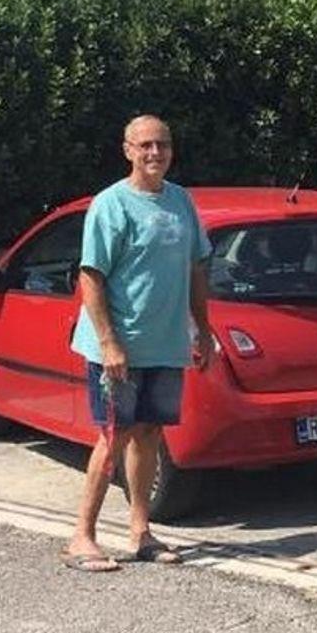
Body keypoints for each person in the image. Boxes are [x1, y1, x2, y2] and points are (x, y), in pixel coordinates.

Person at [61, 115, 215, 572]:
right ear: (127, 150)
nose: (155, 153)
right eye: (145, 145)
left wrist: (203, 329)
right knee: (114, 436)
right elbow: (91, 276)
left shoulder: (181, 201)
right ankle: (82, 537)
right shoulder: (111, 204)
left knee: (149, 435)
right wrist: (109, 342)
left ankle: (140, 532)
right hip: (119, 349)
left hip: (164, 344)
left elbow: (196, 268)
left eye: (162, 144)